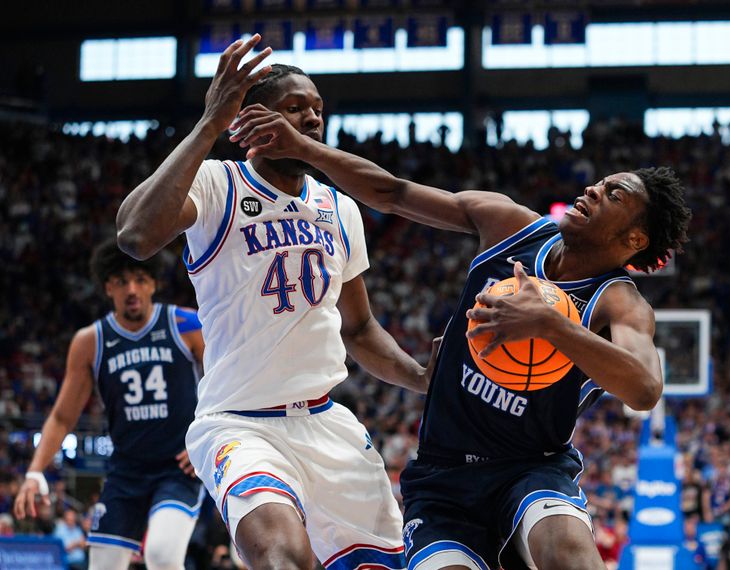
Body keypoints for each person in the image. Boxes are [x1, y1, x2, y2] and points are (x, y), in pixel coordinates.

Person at [229, 108, 692, 570]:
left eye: (614, 194)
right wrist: (305, 149)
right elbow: (393, 192)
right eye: (601, 183)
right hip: (443, 477)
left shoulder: (618, 303)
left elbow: (645, 389)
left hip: (532, 468)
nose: (593, 189)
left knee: (569, 554)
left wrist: (550, 325)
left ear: (635, 239)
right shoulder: (510, 225)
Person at [116, 35, 431, 569]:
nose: (312, 117)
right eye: (295, 107)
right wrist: (210, 123)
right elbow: (135, 235)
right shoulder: (217, 184)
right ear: (251, 120)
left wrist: (423, 377)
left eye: (317, 109)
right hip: (239, 425)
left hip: (326, 424)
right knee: (282, 555)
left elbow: (359, 330)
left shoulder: (340, 208)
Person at [14, 239, 205, 570]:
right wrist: (34, 472)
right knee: (102, 565)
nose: (131, 289)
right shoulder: (91, 341)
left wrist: (205, 438)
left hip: (178, 468)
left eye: (140, 280)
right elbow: (61, 417)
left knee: (162, 555)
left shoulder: (186, 324)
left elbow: (226, 381)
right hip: (126, 472)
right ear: (107, 288)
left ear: (153, 283)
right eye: (121, 281)